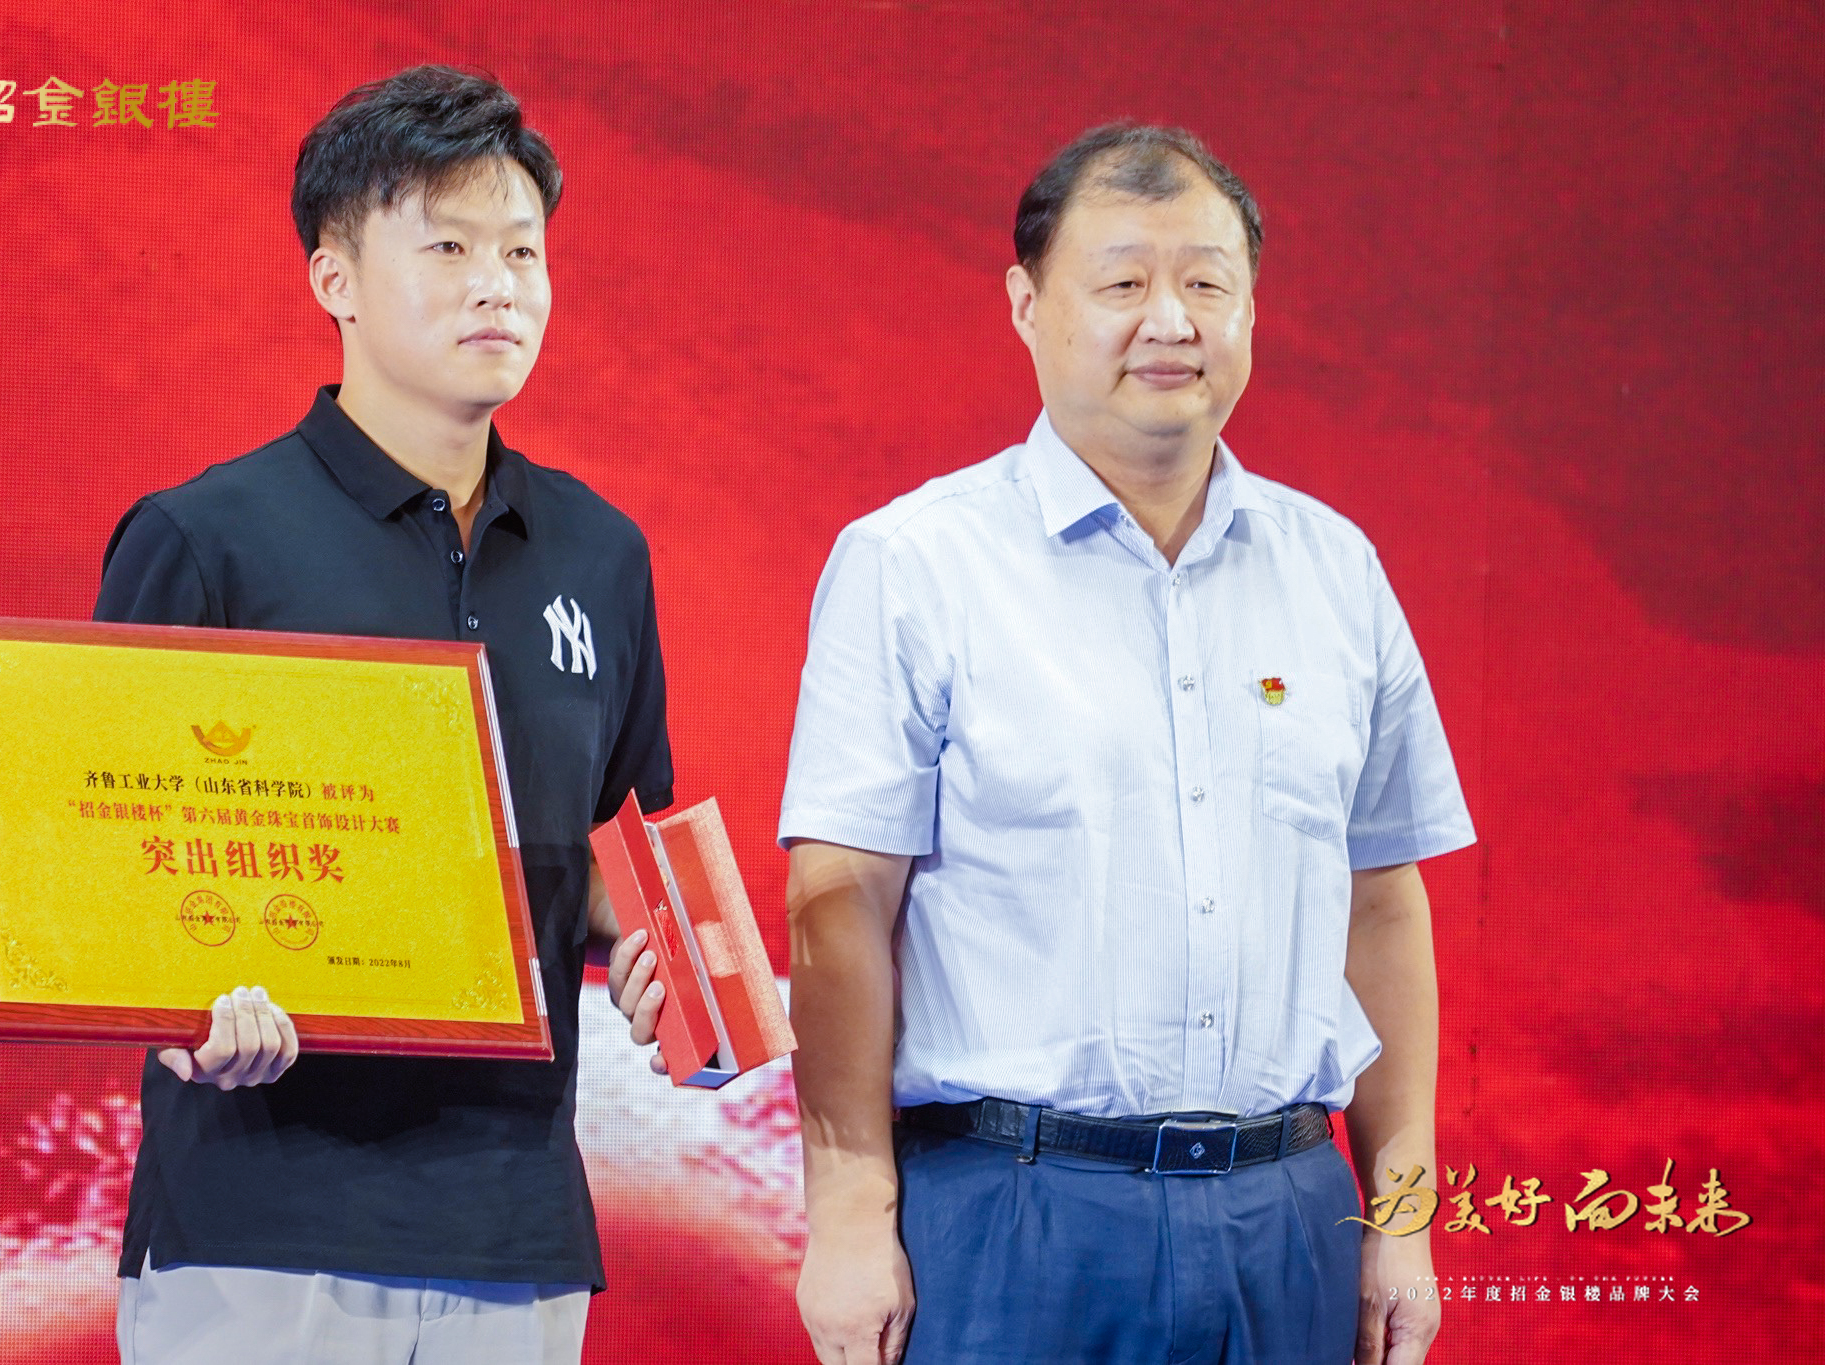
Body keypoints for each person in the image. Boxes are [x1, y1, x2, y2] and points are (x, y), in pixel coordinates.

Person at [777, 125, 1475, 1364]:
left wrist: (1399, 1217)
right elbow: (838, 902)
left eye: (1206, 282)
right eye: (1120, 282)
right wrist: (846, 1211)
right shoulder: (913, 564)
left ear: (1249, 310)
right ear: (1024, 305)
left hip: (1288, 1215)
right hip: (1009, 1213)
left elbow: (1380, 904)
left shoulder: (1335, 571)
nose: (1169, 321)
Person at [93, 66, 673, 1365]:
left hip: (513, 1231)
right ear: (335, 278)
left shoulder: (601, 552)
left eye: (522, 251)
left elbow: (621, 842)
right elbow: (112, 872)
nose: (497, 286)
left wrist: (665, 952)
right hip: (258, 1225)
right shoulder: (206, 537)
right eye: (449, 249)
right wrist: (185, 1016)